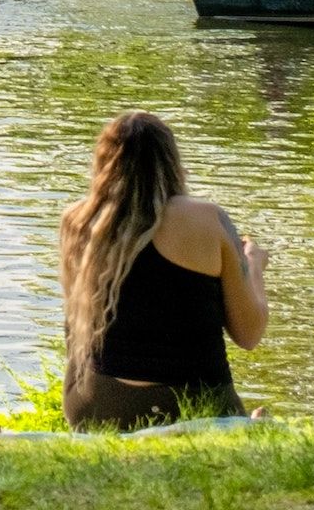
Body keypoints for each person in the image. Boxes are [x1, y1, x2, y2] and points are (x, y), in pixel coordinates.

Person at [59, 111, 267, 429]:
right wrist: (253, 267)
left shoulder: (77, 220)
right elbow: (249, 334)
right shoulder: (207, 218)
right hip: (195, 403)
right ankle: (249, 425)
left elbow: (73, 331)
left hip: (96, 406)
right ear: (172, 161)